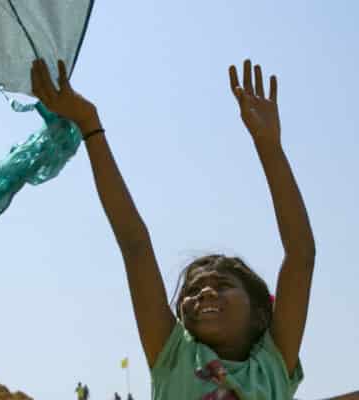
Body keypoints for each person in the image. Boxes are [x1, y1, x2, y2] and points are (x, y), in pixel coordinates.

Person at [31, 58, 316, 399]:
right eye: (193, 291)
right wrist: (90, 125)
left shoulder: (272, 366)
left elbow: (301, 254)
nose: (204, 294)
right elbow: (134, 243)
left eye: (222, 286)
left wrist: (269, 146)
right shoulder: (174, 356)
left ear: (259, 315)